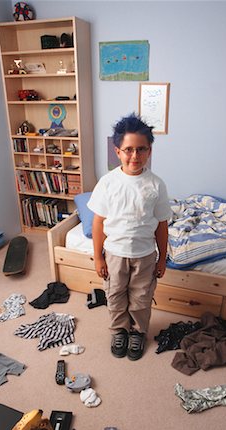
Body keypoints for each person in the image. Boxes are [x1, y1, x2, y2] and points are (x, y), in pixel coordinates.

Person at [87, 113, 171, 361]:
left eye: (141, 149)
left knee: (141, 299)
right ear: (117, 151)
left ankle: (138, 332)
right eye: (128, 150)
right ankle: (119, 331)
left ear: (150, 150)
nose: (135, 156)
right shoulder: (108, 183)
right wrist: (98, 258)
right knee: (114, 296)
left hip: (145, 256)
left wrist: (162, 259)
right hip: (114, 254)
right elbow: (98, 222)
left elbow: (162, 226)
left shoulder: (156, 185)